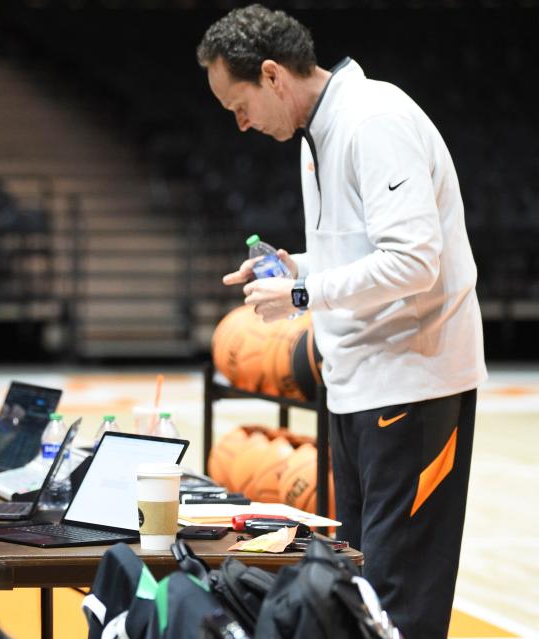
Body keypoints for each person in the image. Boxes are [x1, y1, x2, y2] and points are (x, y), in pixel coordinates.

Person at [199, 5, 487, 637]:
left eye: (237, 104)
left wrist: (303, 296)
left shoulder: (373, 119)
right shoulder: (318, 135)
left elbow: (412, 261)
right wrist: (292, 265)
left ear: (272, 76)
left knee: (396, 599)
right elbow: (355, 254)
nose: (240, 123)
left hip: (415, 383)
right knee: (356, 592)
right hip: (359, 384)